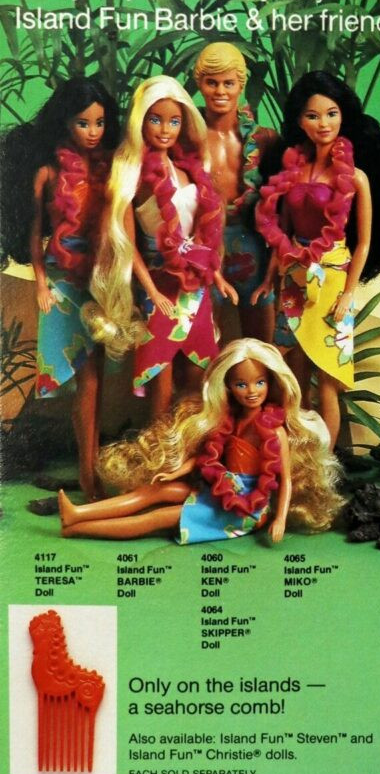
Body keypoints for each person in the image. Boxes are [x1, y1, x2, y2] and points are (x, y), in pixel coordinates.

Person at [252, 70, 380, 449]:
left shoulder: (356, 178)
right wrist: (268, 280)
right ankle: (299, 455)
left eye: (331, 114)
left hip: (332, 280)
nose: (323, 124)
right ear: (299, 121)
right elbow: (282, 234)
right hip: (295, 281)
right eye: (312, 116)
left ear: (344, 116)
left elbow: (363, 243)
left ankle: (324, 461)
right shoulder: (291, 173)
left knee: (328, 377)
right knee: (293, 372)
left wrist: (348, 293)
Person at [58, 338, 343, 542]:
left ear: (271, 383)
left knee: (158, 518)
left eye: (260, 383)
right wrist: (176, 472)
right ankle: (77, 513)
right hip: (218, 488)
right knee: (154, 491)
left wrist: (279, 519)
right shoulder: (230, 420)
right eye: (241, 384)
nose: (252, 391)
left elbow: (286, 480)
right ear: (228, 387)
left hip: (245, 507)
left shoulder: (274, 431)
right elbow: (208, 457)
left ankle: (78, 528)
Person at [85, 76, 237, 418]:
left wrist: (218, 276)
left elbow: (202, 233)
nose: (165, 129)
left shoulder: (189, 169)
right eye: (156, 119)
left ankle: (189, 440)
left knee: (198, 369)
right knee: (160, 368)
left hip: (195, 284)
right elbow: (128, 245)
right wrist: (151, 292)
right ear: (141, 121)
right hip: (160, 282)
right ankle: (158, 440)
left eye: (174, 121)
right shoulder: (133, 176)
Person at [0, 76, 120, 498]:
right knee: (84, 378)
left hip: (99, 281)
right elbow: (35, 232)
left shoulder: (110, 170)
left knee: (96, 378)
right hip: (62, 282)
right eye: (83, 123)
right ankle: (87, 476)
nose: (93, 132)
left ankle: (90, 467)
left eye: (100, 123)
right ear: (64, 123)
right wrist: (39, 282)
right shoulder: (49, 173)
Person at [193, 42, 276, 343]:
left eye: (228, 83)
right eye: (211, 83)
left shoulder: (264, 139)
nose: (220, 91)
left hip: (250, 243)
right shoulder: (187, 135)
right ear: (199, 84)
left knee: (263, 342)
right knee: (203, 341)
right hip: (202, 244)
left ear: (241, 84)